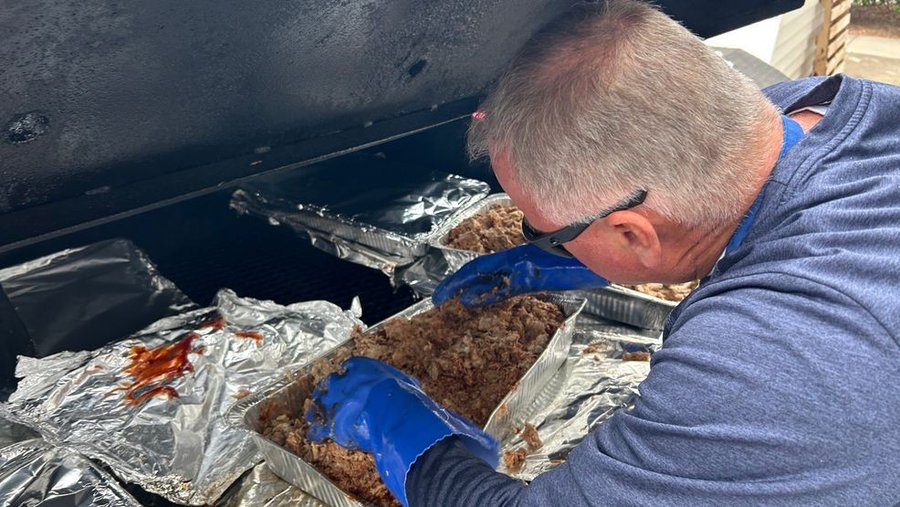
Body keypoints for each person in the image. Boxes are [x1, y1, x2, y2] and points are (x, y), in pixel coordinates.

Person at [307, 1, 900, 505]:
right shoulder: (829, 107)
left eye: (545, 233)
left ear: (633, 234)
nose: (538, 244)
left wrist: (405, 435)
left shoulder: (766, 358)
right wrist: (570, 256)